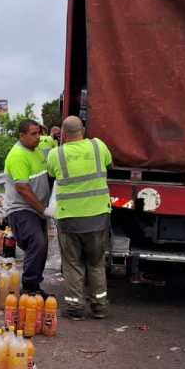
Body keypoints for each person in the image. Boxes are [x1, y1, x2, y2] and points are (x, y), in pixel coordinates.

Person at [46, 116, 113, 320]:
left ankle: (75, 309)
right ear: (82, 130)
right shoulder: (98, 146)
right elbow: (109, 164)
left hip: (69, 219)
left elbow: (51, 175)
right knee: (96, 263)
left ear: (63, 134)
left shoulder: (56, 154)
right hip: (98, 217)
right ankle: (99, 307)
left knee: (73, 265)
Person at [3, 120, 52, 295]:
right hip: (21, 209)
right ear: (21, 135)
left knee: (42, 247)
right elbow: (23, 188)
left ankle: (35, 286)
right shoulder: (18, 155)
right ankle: (30, 287)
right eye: (33, 134)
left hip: (36, 209)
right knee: (37, 242)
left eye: (39, 133)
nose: (38, 137)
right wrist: (43, 209)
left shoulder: (37, 152)